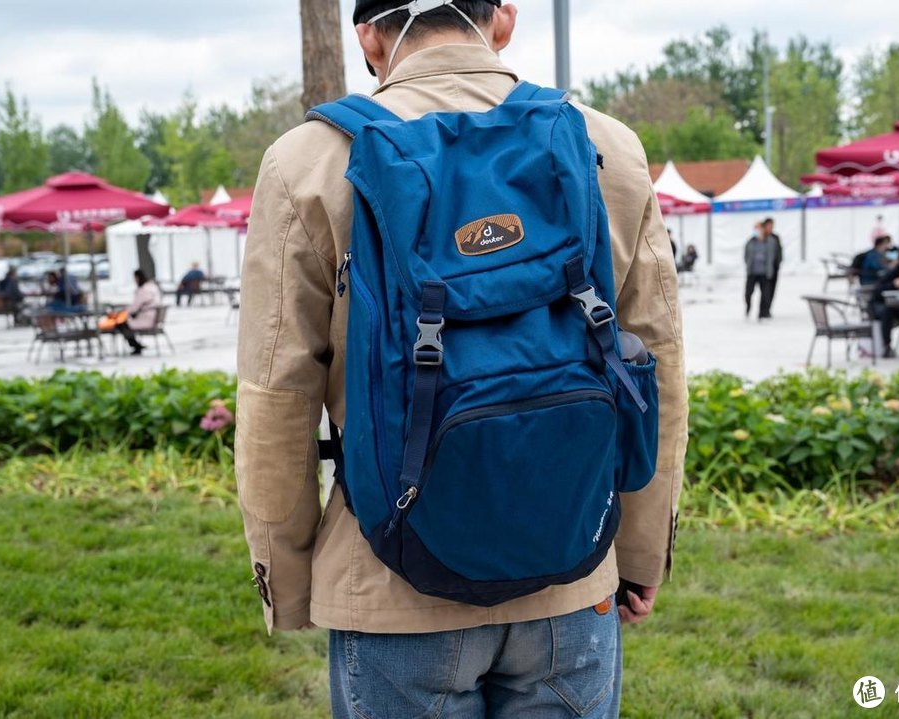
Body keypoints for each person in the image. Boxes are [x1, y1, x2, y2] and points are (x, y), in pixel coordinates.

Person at [234, 2, 687, 717]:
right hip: (572, 567)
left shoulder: (309, 161)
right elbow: (653, 361)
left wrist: (288, 582)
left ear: (369, 37)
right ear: (502, 20)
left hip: (388, 583)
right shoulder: (606, 147)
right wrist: (637, 554)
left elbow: (276, 394)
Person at [115, 269, 162, 355]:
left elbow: (134, 307)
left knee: (120, 323)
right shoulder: (153, 287)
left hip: (146, 318)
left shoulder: (143, 290)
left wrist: (124, 310)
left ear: (138, 277)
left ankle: (135, 345)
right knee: (124, 323)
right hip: (152, 317)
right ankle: (136, 345)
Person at [743, 219, 780, 320]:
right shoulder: (750, 242)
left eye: (758, 228)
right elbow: (746, 256)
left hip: (765, 272)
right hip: (752, 272)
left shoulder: (771, 241)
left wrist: (773, 269)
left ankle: (762, 312)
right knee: (748, 293)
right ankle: (748, 307)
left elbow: (775, 256)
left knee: (765, 294)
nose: (756, 230)